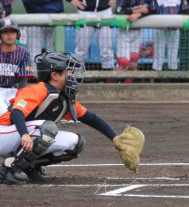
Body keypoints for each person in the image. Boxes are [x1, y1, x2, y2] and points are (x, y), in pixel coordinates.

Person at [0, 52, 120, 185]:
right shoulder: (38, 90)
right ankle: (9, 169)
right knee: (48, 128)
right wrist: (24, 135)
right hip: (5, 133)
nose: (72, 76)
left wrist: (115, 139)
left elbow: (92, 119)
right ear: (54, 75)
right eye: (68, 72)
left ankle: (28, 166)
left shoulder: (63, 98)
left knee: (75, 143)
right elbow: (17, 113)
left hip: (24, 136)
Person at [149, 0, 189, 71]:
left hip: (174, 28)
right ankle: (155, 80)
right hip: (159, 27)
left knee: (173, 54)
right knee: (158, 54)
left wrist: (175, 23)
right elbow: (152, 9)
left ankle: (173, 80)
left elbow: (184, 8)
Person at [114, 0, 150, 76]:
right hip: (124, 31)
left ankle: (129, 87)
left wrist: (138, 14)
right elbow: (117, 11)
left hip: (138, 30)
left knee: (134, 59)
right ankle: (113, 85)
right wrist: (135, 11)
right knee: (123, 62)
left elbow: (154, 9)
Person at [0, 19, 34, 115]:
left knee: (22, 111)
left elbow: (23, 83)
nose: (9, 35)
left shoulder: (24, 53)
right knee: (4, 113)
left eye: (12, 31)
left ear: (17, 34)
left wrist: (18, 100)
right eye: (5, 32)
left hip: (14, 91)